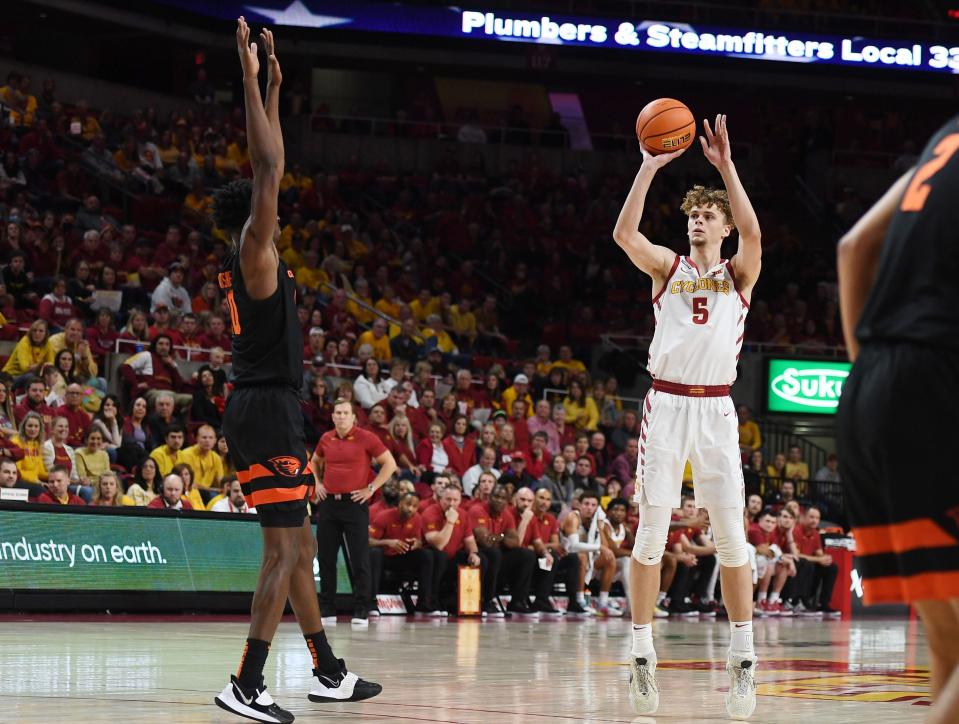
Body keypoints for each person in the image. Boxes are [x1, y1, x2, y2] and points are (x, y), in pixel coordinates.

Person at [212, 23, 379, 724]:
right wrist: (251, 79)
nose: (276, 215)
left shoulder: (253, 256)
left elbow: (271, 170)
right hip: (266, 409)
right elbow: (268, 167)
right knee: (283, 555)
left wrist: (280, 86)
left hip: (262, 407)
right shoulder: (253, 252)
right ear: (250, 219)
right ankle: (245, 684)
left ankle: (327, 670)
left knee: (303, 546)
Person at [612, 113, 761, 716]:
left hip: (716, 410)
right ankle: (642, 653)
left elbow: (755, 233)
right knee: (651, 535)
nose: (697, 220)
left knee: (732, 538)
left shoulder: (739, 273)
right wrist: (648, 166)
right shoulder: (666, 268)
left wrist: (725, 166)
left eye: (708, 215)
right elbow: (625, 234)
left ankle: (743, 659)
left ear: (723, 227)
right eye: (693, 214)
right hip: (667, 404)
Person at [837, 115, 959, 724]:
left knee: (948, 637)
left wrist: (877, 375)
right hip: (936, 382)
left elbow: (853, 246)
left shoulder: (945, 136)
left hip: (871, 385)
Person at [311, 397, 398, 625]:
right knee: (326, 557)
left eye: (344, 413)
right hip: (329, 503)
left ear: (353, 417)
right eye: (337, 413)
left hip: (355, 503)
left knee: (359, 557)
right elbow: (313, 462)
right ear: (332, 417)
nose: (340, 416)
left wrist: (371, 488)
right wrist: (317, 484)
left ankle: (362, 608)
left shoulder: (366, 437)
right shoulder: (326, 438)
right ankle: (327, 608)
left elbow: (390, 464)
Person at [368, 491, 445, 615]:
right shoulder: (383, 516)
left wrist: (416, 544)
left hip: (402, 556)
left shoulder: (418, 519)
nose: (410, 509)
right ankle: (371, 603)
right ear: (399, 503)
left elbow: (419, 541)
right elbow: (368, 541)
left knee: (426, 555)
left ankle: (423, 603)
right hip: (385, 558)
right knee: (375, 553)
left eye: (414, 506)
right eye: (408, 504)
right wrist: (388, 542)